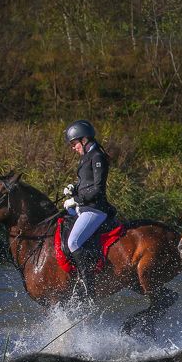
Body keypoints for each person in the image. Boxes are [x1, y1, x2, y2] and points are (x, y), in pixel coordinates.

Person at [62, 119, 116, 297]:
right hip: (85, 207)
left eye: (74, 143)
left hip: (95, 209)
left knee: (73, 242)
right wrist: (73, 188)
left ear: (84, 140)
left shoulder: (97, 157)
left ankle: (88, 285)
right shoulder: (86, 157)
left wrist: (76, 200)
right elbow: (85, 183)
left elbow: (98, 190)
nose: (73, 148)